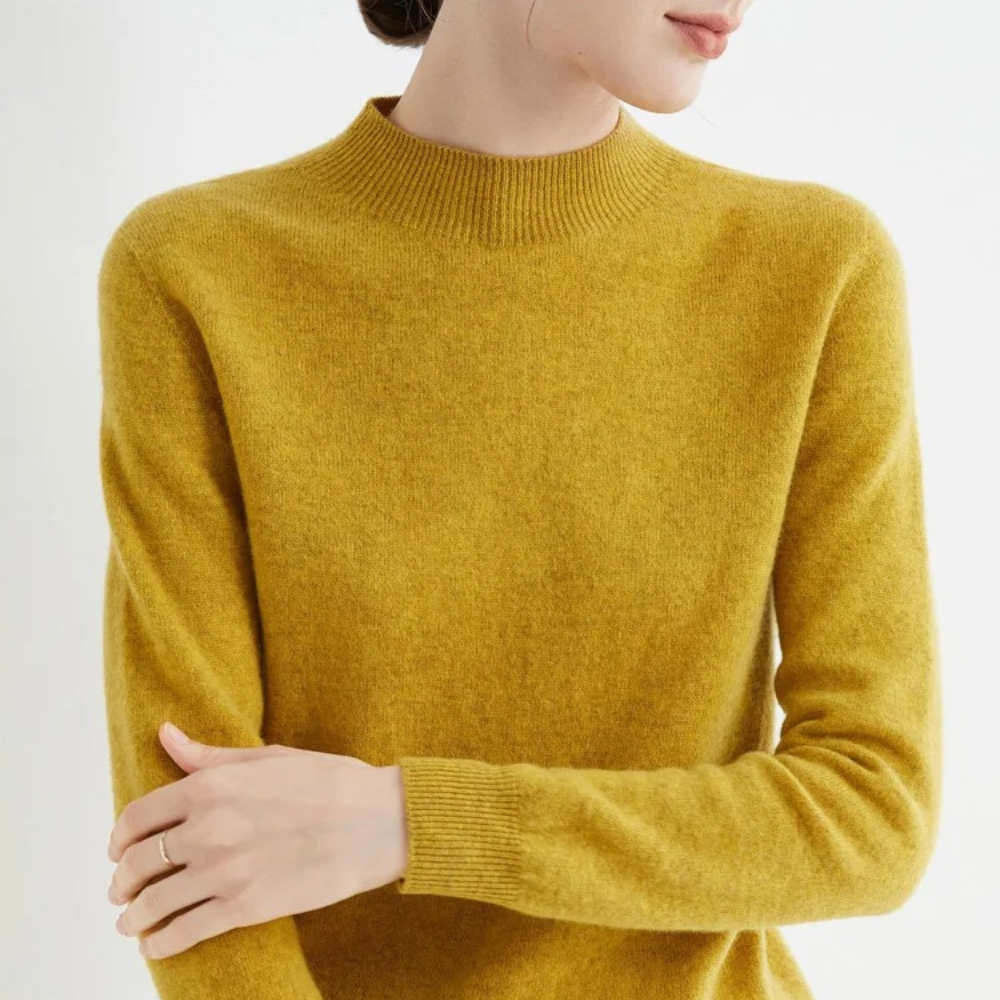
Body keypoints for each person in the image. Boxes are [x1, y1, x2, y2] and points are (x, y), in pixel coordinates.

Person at [97, 2, 942, 999]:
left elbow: (872, 814)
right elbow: (189, 861)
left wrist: (412, 822)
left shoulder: (813, 270)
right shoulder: (197, 269)